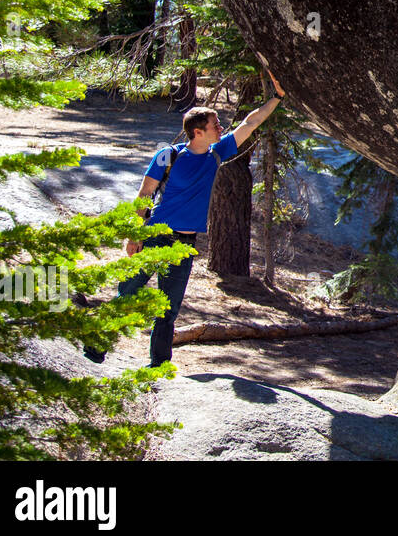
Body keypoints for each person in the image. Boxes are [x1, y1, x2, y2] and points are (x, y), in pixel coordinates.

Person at [84, 72, 286, 367]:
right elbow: (144, 194)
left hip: (184, 244)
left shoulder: (217, 154)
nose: (221, 128)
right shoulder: (168, 156)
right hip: (155, 235)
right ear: (198, 132)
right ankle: (95, 346)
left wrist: (277, 98)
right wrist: (133, 234)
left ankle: (159, 365)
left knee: (168, 309)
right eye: (215, 125)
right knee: (128, 293)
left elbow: (250, 123)